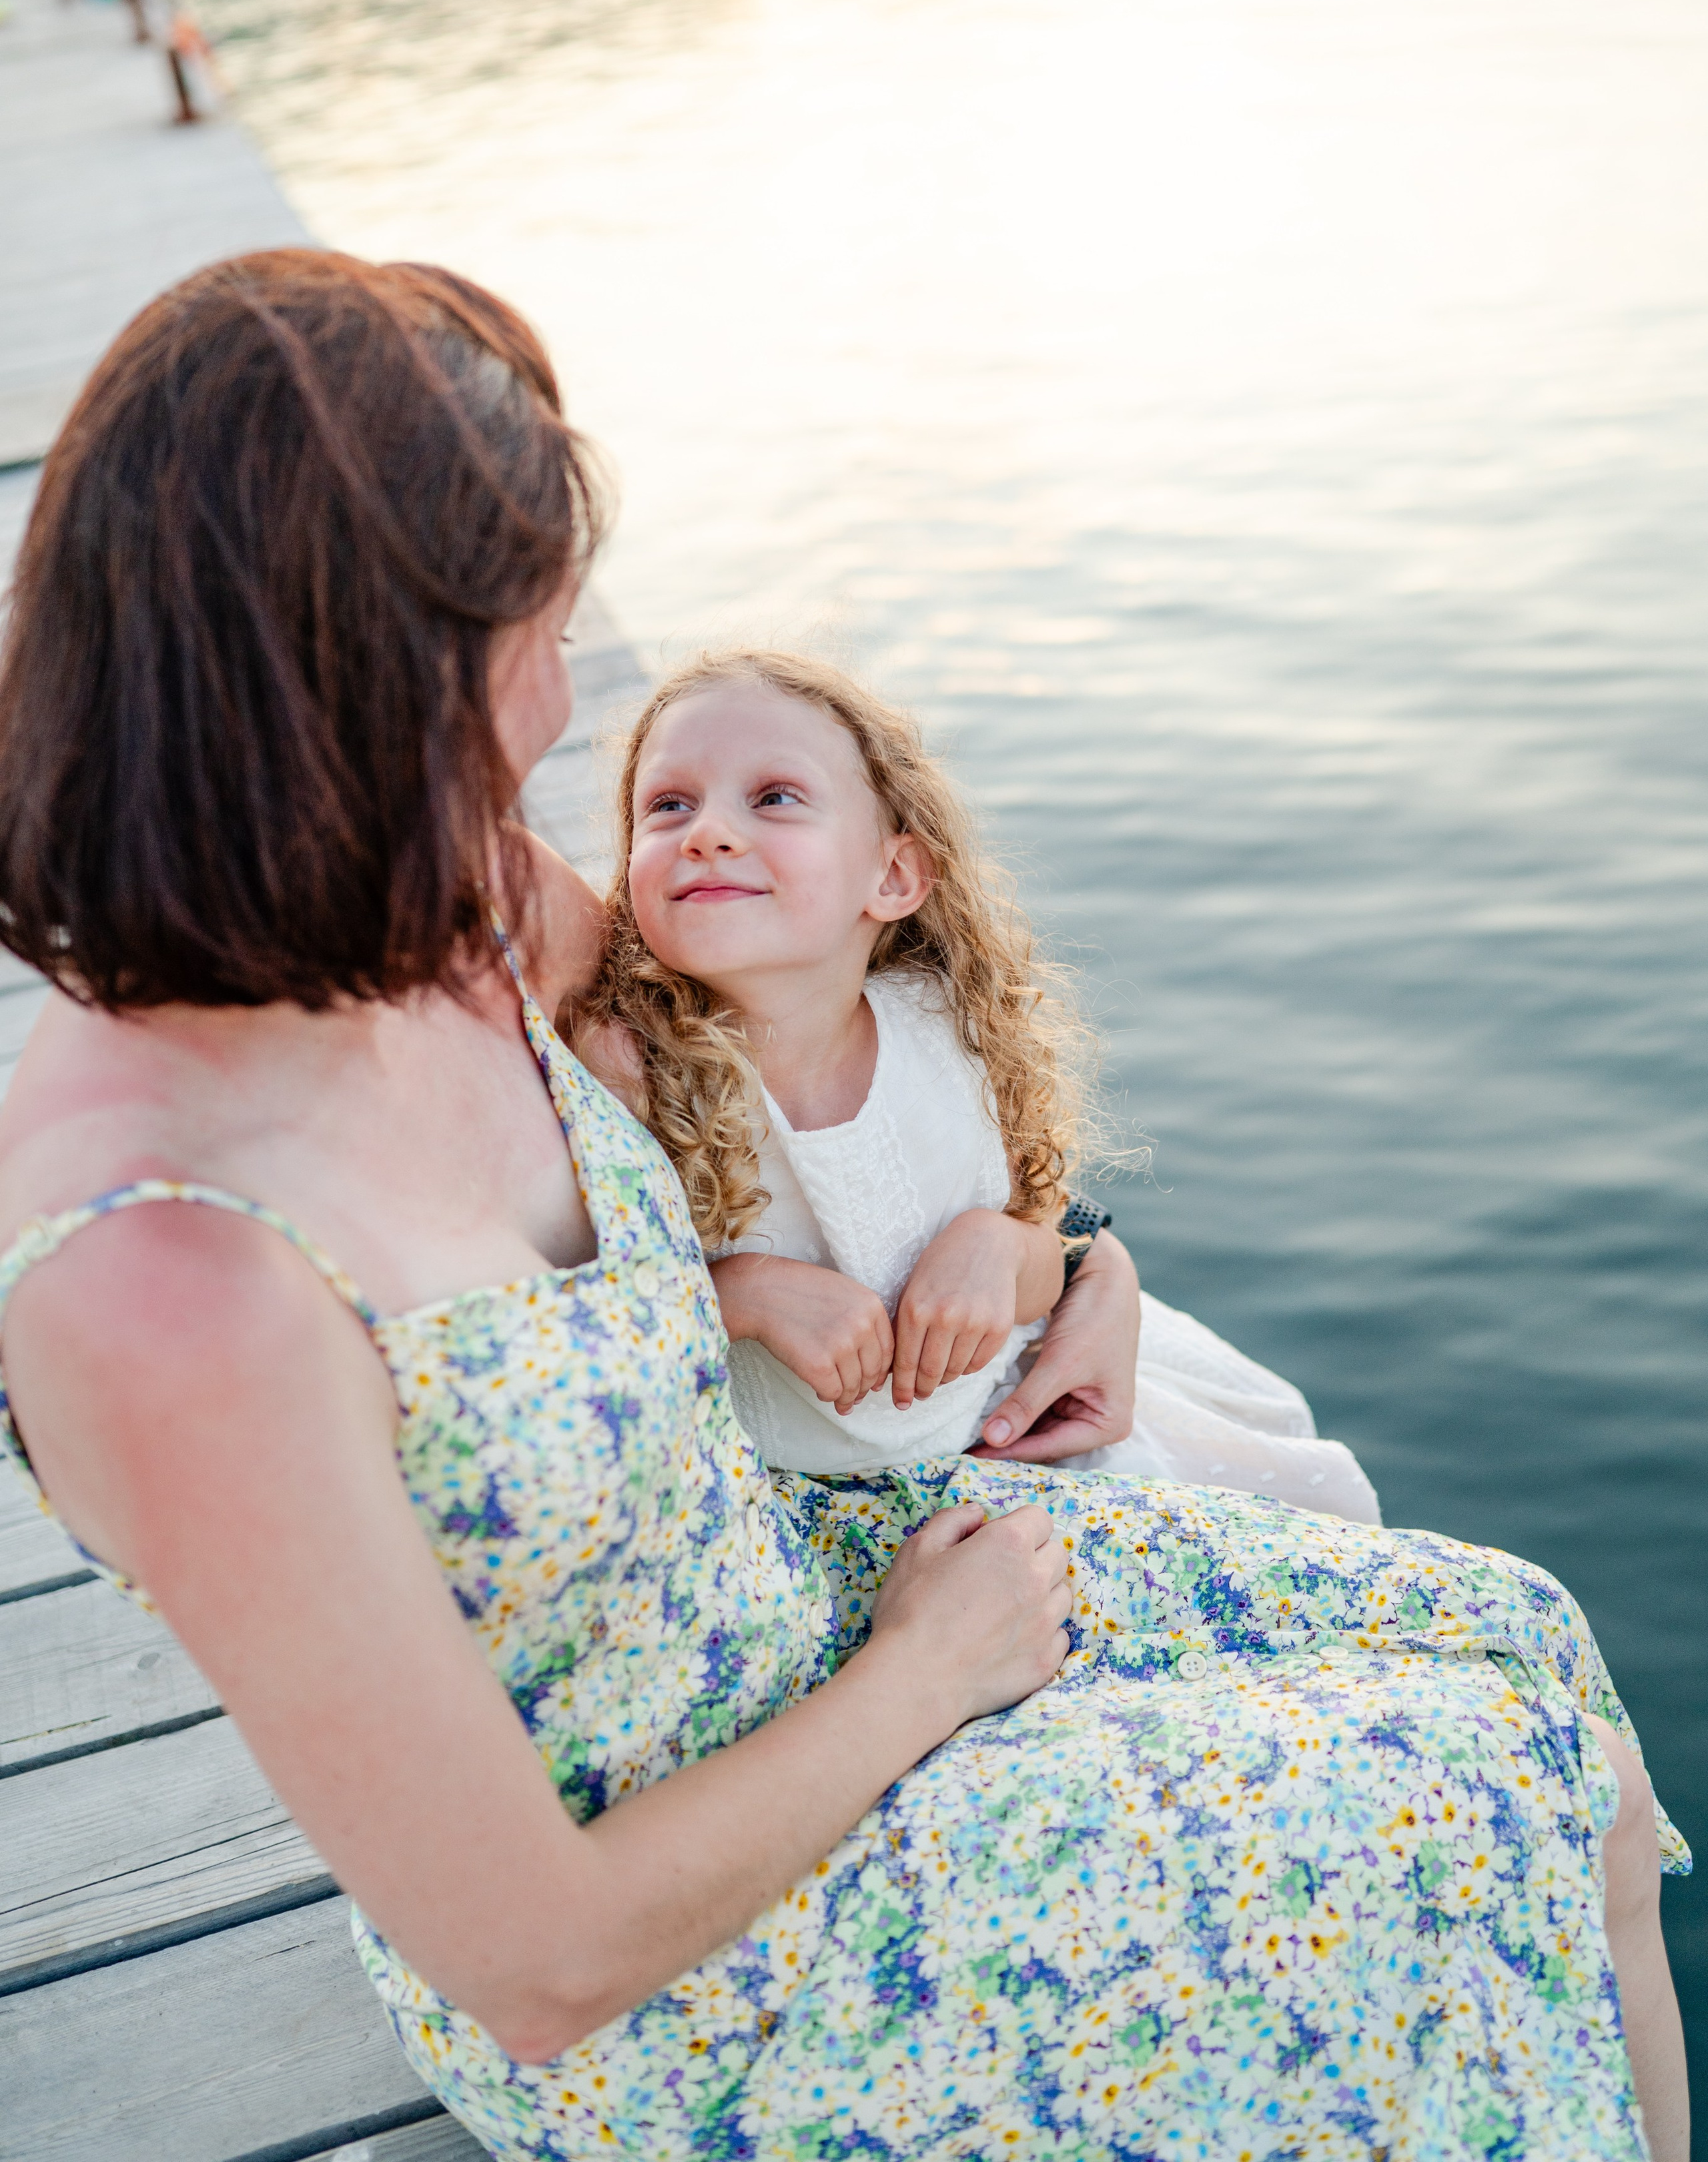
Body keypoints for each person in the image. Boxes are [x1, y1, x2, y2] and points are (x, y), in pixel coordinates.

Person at [0, 252, 1687, 2162]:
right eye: (529, 638)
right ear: (353, 672)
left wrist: (1072, 1257)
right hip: (706, 1967)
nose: (564, 698)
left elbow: (833, 1051)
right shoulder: (160, 1270)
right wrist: (931, 1675)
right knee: (1481, 1792)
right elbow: (537, 1959)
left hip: (816, 1593)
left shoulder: (448, 922)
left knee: (1533, 1656)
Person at [577, 648, 1381, 1521]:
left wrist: (999, 1249)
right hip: (786, 1507)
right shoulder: (625, 1068)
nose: (708, 832)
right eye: (667, 806)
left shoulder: (942, 1029)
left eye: (774, 798)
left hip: (1013, 1448)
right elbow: (573, 1312)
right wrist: (743, 1295)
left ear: (892, 877)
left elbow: (1042, 1262)